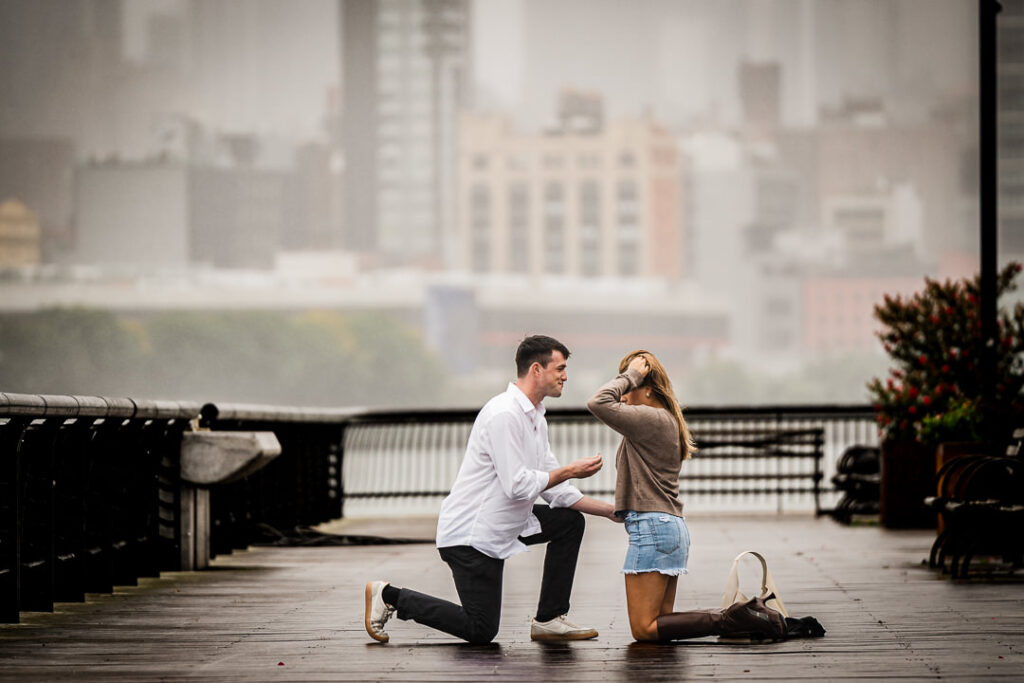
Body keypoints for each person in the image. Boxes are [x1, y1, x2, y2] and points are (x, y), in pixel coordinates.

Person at [364, 334, 621, 645]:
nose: (565, 376)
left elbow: (556, 493)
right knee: (481, 630)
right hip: (472, 535)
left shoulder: (535, 417)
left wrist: (610, 511)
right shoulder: (505, 415)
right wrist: (570, 470)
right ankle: (390, 595)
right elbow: (517, 486)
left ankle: (549, 619)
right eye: (560, 368)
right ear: (536, 370)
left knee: (569, 522)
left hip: (505, 525)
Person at [587, 350, 784, 642]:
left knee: (645, 629)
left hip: (654, 529)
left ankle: (734, 617)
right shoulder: (663, 420)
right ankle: (736, 617)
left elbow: (598, 402)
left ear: (649, 388)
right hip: (667, 528)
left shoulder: (651, 418)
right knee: (659, 626)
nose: (624, 396)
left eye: (631, 388)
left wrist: (629, 376)